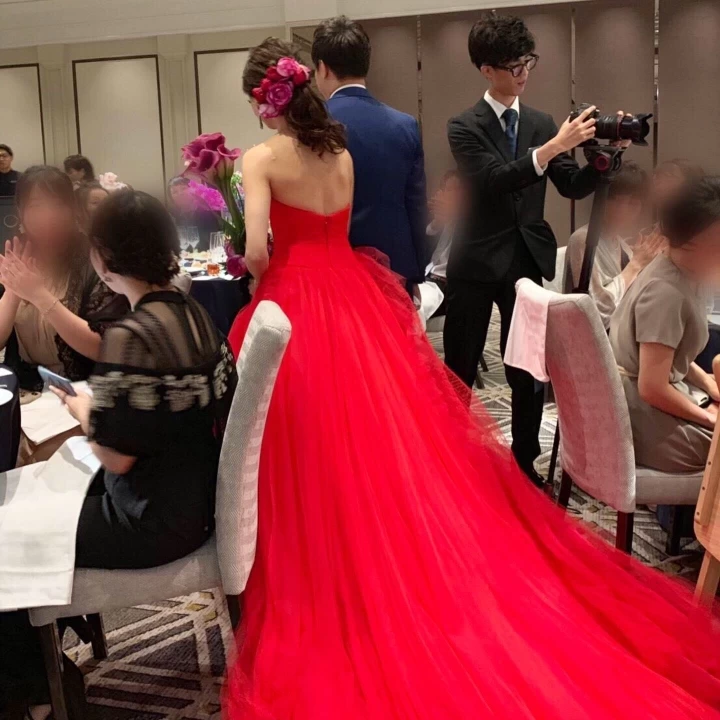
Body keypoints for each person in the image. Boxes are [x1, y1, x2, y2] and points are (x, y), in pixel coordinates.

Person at [224, 37, 720, 720]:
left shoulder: (259, 159)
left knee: (310, 436)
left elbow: (256, 252)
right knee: (380, 431)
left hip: (301, 302)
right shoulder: (351, 151)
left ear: (263, 99)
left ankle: (330, 555)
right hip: (360, 295)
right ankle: (384, 542)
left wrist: (257, 266)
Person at [443, 14, 632, 486]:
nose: (524, 73)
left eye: (528, 62)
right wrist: (551, 148)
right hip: (474, 261)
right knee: (459, 366)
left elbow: (571, 185)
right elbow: (493, 180)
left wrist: (606, 158)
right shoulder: (463, 126)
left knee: (527, 369)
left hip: (525, 259)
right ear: (487, 70)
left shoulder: (542, 123)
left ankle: (524, 460)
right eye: (513, 66)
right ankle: (448, 457)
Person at [52, 188, 237, 568]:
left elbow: (115, 458)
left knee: (19, 533)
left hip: (150, 522)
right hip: (203, 504)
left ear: (103, 259)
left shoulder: (131, 337)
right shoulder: (196, 313)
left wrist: (81, 408)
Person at [610, 176, 720, 474]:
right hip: (641, 414)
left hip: (648, 395)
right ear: (696, 240)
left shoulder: (678, 269)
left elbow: (668, 354)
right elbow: (652, 388)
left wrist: (708, 383)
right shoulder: (666, 293)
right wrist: (709, 420)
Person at [312, 16, 427, 289]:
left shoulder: (311, 126)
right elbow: (416, 208)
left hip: (330, 270)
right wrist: (417, 274)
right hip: (394, 269)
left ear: (322, 68)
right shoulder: (405, 125)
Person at [0, 167, 126, 393]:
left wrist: (39, 295)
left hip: (83, 391)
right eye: (36, 206)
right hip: (25, 390)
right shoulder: (16, 255)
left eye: (58, 204)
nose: (48, 215)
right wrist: (13, 291)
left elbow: (104, 348)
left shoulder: (96, 259)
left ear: (73, 208)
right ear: (20, 211)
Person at [566, 161, 664, 328]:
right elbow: (596, 311)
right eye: (615, 200)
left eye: (632, 202)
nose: (622, 209)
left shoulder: (621, 244)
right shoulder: (584, 239)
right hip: (595, 338)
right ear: (601, 199)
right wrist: (636, 264)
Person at [425, 169, 463, 317]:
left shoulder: (471, 222)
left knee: (411, 306)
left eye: (454, 189)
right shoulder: (444, 217)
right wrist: (438, 221)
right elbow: (428, 234)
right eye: (447, 189)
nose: (449, 194)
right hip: (427, 275)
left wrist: (456, 214)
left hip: (445, 284)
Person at [167, 176, 221, 252]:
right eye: (175, 192)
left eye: (183, 188)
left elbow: (215, 240)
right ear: (171, 198)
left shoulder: (207, 212)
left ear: (193, 190)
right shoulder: (171, 217)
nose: (180, 193)